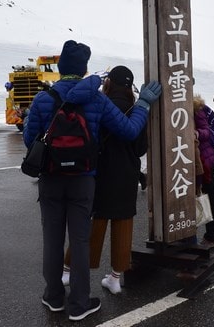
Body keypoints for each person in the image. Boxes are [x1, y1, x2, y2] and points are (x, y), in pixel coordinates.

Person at [23, 41, 161, 321]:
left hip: (50, 179)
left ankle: (53, 297)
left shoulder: (42, 99)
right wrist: (144, 102)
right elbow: (129, 130)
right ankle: (79, 304)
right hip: (83, 180)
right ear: (84, 69)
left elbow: (29, 140)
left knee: (52, 240)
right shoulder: (96, 99)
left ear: (60, 69)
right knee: (81, 239)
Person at [63, 66, 148, 296]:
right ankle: (115, 278)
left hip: (100, 173)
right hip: (127, 175)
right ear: (130, 86)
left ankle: (68, 270)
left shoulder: (100, 103)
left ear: (109, 83)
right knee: (123, 223)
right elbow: (141, 148)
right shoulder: (137, 109)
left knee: (93, 223)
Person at [193, 95, 214, 247]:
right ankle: (186, 235)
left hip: (203, 160)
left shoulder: (196, 106)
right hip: (185, 160)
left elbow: (207, 130)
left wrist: (196, 133)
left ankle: (211, 236)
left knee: (208, 196)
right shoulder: (171, 104)